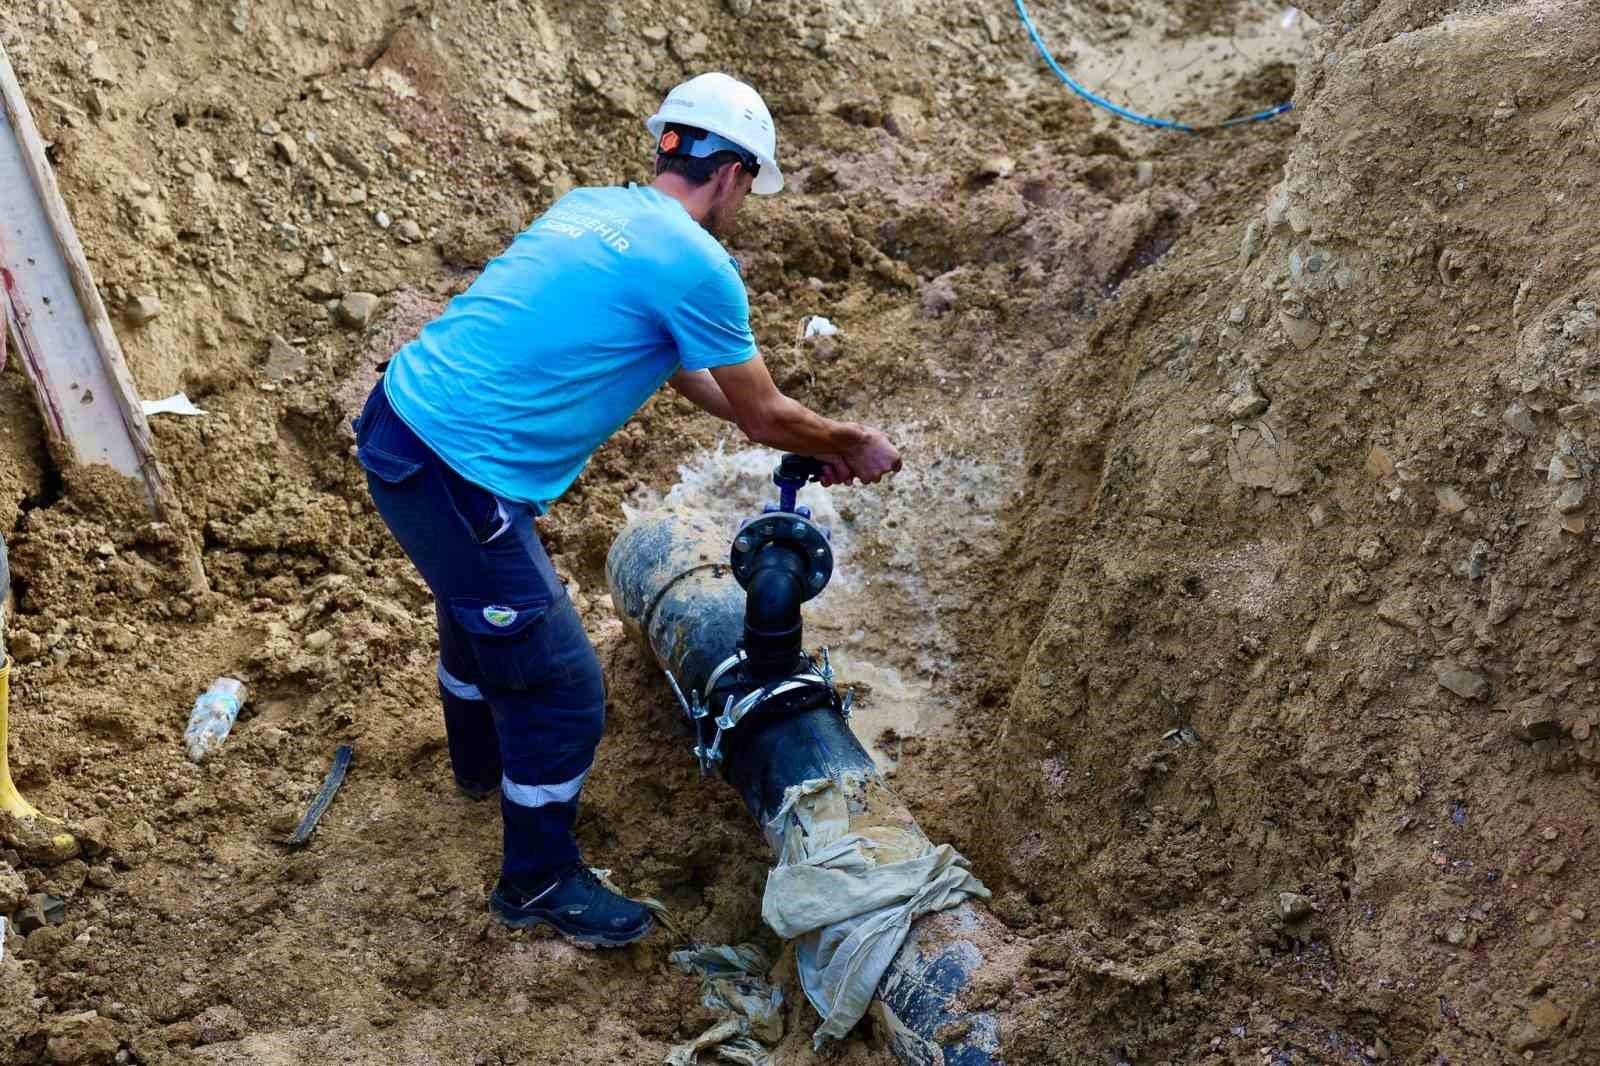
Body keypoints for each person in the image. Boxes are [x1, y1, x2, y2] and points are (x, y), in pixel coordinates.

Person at [353, 72, 901, 947]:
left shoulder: (590, 208)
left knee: (479, 611)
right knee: (566, 692)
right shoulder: (697, 262)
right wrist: (849, 441)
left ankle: (479, 766)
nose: (745, 203)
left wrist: (804, 443)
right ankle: (535, 882)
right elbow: (761, 408)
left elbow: (684, 374)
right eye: (751, 185)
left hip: (402, 424)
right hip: (455, 472)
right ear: (731, 174)